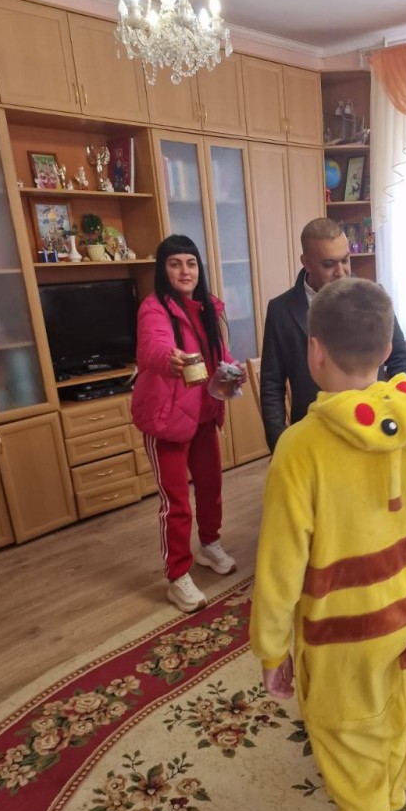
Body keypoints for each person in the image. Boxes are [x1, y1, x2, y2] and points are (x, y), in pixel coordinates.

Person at [250, 277, 406, 811]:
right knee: (395, 714)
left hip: (346, 638)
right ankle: (392, 810)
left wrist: (272, 649)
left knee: (352, 752)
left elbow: (280, 567)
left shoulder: (300, 447)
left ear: (314, 352)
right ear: (387, 349)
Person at [131, 235, 246, 613]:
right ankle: (177, 575)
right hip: (166, 420)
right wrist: (170, 359)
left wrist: (233, 370)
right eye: (175, 263)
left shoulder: (208, 306)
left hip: (204, 415)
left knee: (211, 487)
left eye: (191, 263)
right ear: (163, 270)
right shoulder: (153, 308)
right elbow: (152, 346)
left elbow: (219, 353)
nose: (185, 271)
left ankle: (209, 545)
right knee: (176, 503)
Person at [259, 217, 406, 452]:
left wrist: (402, 413)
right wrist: (280, 445)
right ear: (306, 263)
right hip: (312, 439)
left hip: (375, 431)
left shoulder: (373, 296)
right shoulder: (281, 310)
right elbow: (271, 384)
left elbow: (399, 358)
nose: (341, 272)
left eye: (345, 260)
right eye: (329, 264)